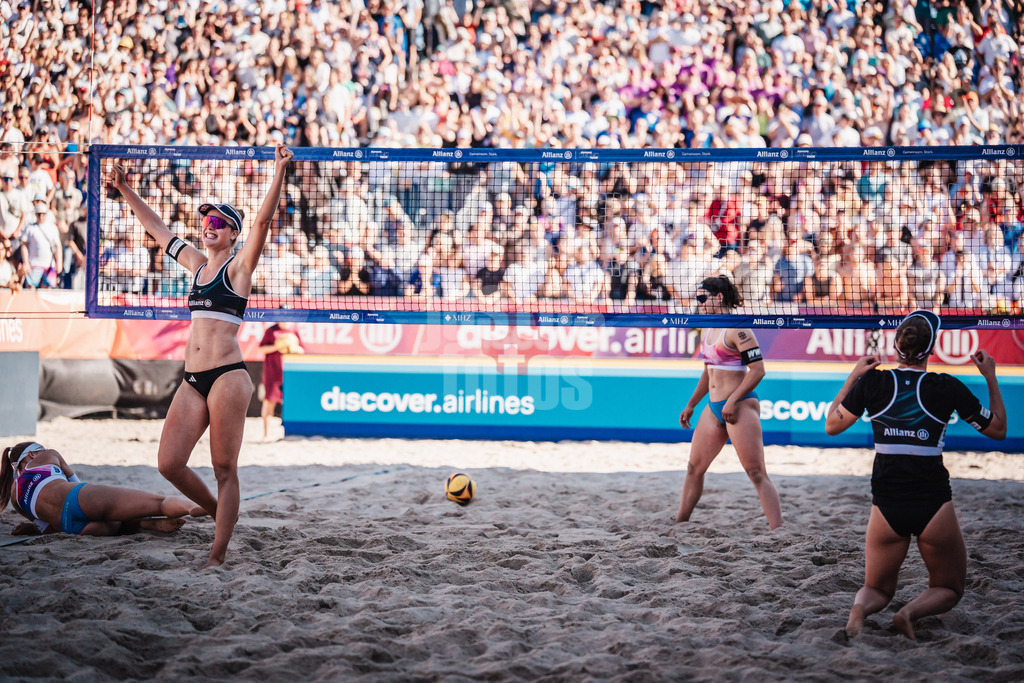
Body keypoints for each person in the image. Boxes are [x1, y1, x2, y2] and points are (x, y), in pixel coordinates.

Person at [108, 145, 294, 567]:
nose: (207, 226)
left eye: (217, 222)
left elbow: (263, 221)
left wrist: (279, 171)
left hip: (229, 375)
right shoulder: (196, 265)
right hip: (193, 380)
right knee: (169, 463)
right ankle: (216, 513)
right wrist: (124, 188)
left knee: (224, 468)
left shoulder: (239, 269)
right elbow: (156, 228)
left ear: (232, 234)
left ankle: (217, 554)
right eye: (205, 220)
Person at [825, 310, 1006, 640]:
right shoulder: (946, 386)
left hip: (886, 504)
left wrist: (853, 377)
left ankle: (858, 612)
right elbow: (998, 429)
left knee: (876, 589)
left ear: (896, 347)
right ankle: (909, 614)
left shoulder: (873, 381)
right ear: (931, 350)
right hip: (932, 503)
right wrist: (990, 376)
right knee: (949, 587)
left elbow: (831, 425)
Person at [676, 275, 783, 529]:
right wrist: (692, 403)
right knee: (694, 468)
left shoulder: (738, 329)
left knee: (756, 473)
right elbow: (708, 370)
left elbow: (758, 370)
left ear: (719, 297)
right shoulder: (707, 326)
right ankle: (680, 523)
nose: (699, 303)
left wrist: (733, 401)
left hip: (740, 404)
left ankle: (778, 531)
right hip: (714, 407)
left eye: (703, 298)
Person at [1, 442, 194, 536]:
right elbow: (77, 484)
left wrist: (31, 530)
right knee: (159, 503)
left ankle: (143, 524)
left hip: (70, 527)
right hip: (76, 499)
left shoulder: (14, 496)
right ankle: (205, 506)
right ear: (33, 454)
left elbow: (46, 529)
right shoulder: (48, 456)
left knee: (114, 522)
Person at [258, 321, 305, 440]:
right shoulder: (271, 331)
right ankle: (266, 434)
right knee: (269, 401)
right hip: (273, 371)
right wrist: (277, 346)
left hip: (289, 372)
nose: (285, 320)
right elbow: (262, 348)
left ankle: (289, 433)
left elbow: (302, 350)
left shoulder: (294, 331)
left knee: (291, 402)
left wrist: (294, 348)